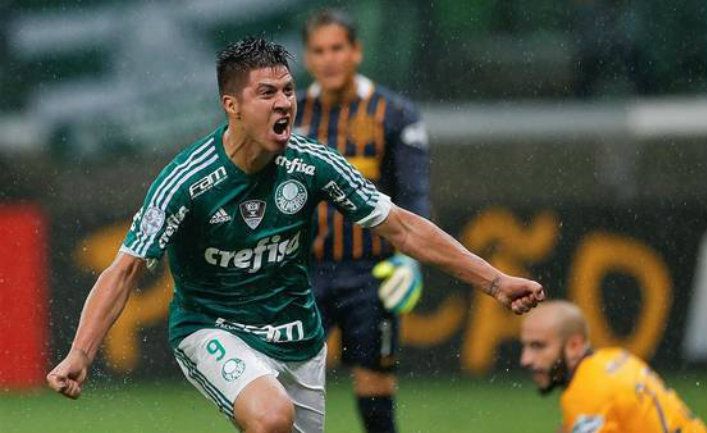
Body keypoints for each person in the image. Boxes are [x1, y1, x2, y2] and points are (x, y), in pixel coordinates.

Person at [46, 36, 545, 433]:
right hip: (212, 329)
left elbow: (402, 227)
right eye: (267, 93)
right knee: (270, 417)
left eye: (287, 90)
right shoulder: (188, 181)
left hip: (298, 340)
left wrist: (496, 282)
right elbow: (126, 268)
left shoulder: (312, 163)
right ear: (232, 106)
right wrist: (80, 354)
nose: (284, 102)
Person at [296, 9, 428, 433]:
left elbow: (413, 194)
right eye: (319, 50)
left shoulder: (395, 114)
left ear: (357, 51)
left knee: (374, 382)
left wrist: (412, 258)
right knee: (286, 383)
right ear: (308, 58)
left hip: (372, 272)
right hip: (301, 272)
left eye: (338, 48)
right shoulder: (290, 114)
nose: (329, 58)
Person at [520, 300, 707, 433]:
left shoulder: (586, 393)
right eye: (526, 346)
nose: (526, 359)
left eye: (538, 346)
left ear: (575, 346)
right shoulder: (616, 358)